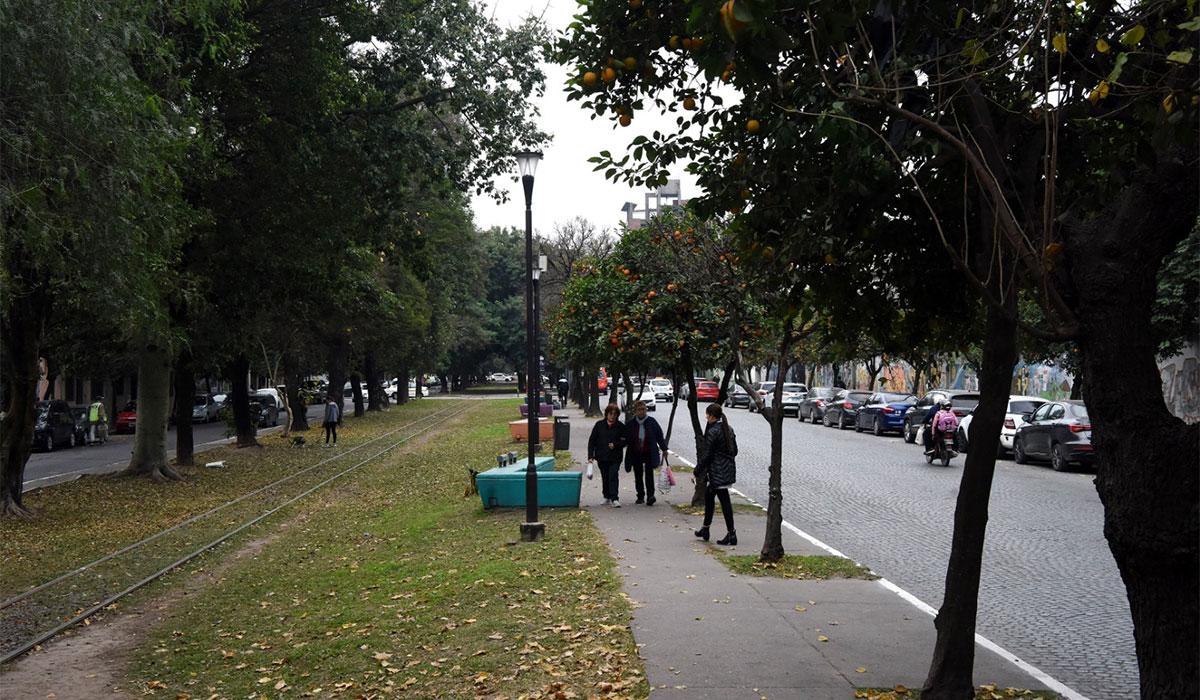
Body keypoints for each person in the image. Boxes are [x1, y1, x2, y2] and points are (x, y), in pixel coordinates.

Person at [694, 403, 738, 545]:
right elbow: (735, 451)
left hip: (717, 471)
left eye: (707, 415)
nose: (706, 417)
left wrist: (697, 470)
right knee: (709, 496)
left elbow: (708, 454)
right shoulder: (728, 429)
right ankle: (705, 528)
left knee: (724, 501)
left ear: (712, 416)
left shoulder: (713, 431)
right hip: (727, 469)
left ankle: (731, 533)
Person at [623, 400, 668, 505]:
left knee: (649, 474)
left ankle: (650, 496)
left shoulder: (652, 422)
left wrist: (664, 449)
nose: (642, 412)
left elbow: (659, 436)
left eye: (643, 409)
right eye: (639, 410)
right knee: (638, 475)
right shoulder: (631, 424)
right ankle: (640, 496)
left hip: (649, 452)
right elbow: (626, 438)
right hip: (636, 452)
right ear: (635, 411)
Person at [587, 404, 626, 507]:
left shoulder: (620, 426)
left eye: (615, 414)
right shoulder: (599, 425)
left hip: (615, 456)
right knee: (605, 476)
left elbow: (625, 441)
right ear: (606, 414)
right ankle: (606, 496)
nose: (612, 416)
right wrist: (590, 456)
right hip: (602, 456)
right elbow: (592, 441)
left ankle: (614, 498)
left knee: (613, 475)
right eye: (610, 414)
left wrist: (616, 445)